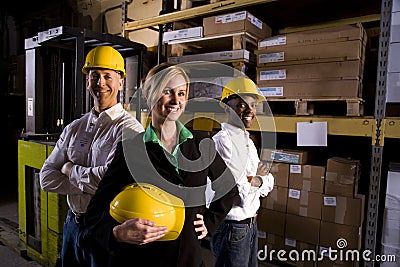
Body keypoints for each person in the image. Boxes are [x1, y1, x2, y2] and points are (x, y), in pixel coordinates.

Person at [79, 62, 239, 267]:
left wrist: (209, 222)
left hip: (188, 259)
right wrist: (117, 233)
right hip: (143, 260)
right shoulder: (131, 149)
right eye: (167, 91)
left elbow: (228, 188)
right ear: (149, 95)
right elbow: (94, 213)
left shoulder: (202, 144)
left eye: (181, 93)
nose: (176, 100)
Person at [39, 45, 145, 266]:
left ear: (120, 82)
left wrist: (69, 170)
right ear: (87, 81)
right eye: (95, 75)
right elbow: (46, 177)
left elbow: (112, 183)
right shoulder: (74, 128)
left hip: (105, 227)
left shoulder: (130, 130)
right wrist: (91, 184)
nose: (101, 83)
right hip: (72, 224)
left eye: (108, 76)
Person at [210, 77, 275, 267]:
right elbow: (239, 195)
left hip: (250, 225)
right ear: (226, 107)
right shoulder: (223, 141)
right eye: (241, 105)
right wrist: (258, 179)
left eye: (253, 105)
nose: (250, 111)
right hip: (232, 228)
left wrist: (257, 180)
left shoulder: (248, 141)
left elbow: (268, 181)